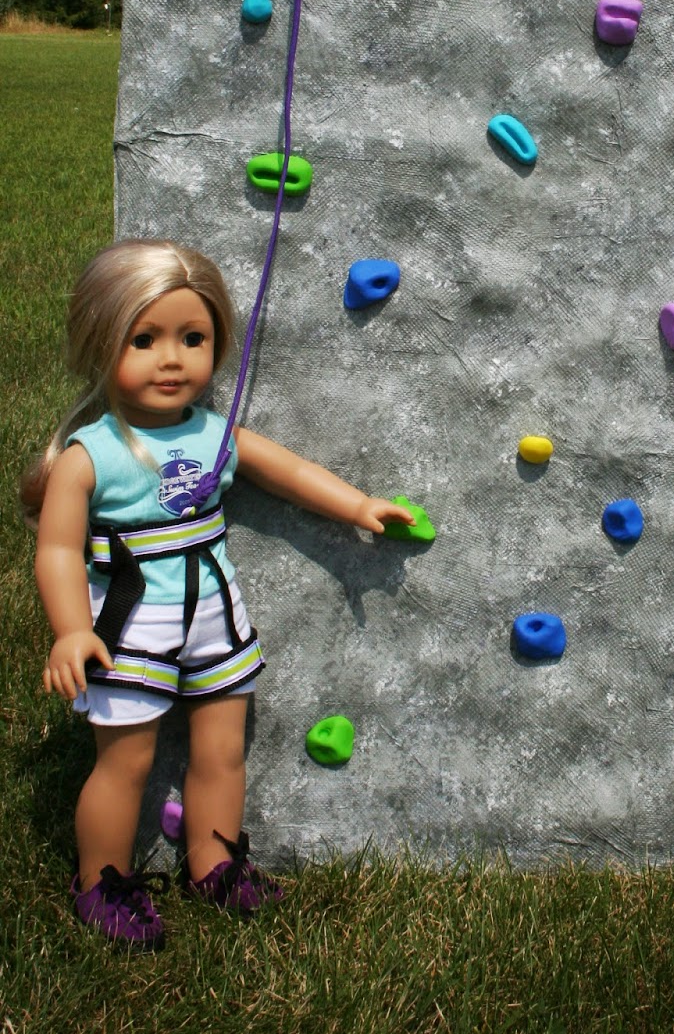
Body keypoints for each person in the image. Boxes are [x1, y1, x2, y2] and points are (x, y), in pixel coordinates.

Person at [22, 238, 414, 951]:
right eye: (144, 339)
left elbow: (287, 471)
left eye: (192, 338)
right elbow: (55, 549)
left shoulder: (215, 434)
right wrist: (71, 629)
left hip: (214, 614)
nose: (172, 359)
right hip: (129, 623)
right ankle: (101, 880)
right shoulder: (92, 456)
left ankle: (215, 861)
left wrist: (357, 505)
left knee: (221, 749)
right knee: (126, 759)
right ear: (100, 340)